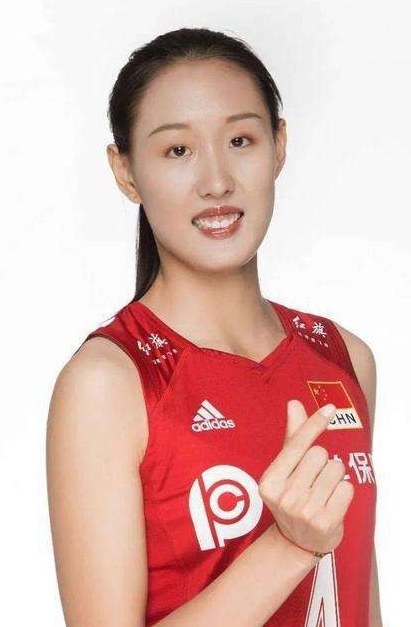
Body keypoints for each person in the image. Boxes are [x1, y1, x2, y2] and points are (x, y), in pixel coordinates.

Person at [46, 27, 383, 627]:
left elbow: (357, 600)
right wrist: (289, 546)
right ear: (125, 171)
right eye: (177, 150)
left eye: (240, 139)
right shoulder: (109, 384)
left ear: (279, 146)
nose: (217, 181)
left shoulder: (344, 358)